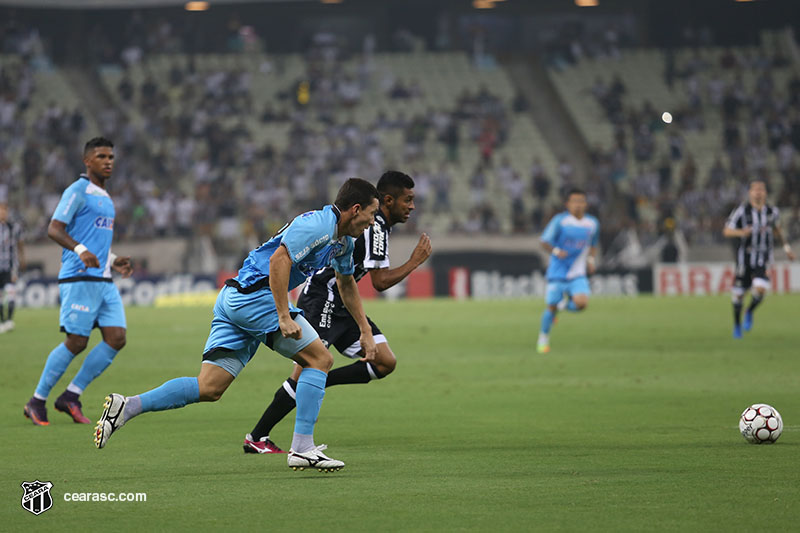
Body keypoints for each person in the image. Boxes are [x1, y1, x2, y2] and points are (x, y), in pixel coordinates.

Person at [94, 178, 380, 473]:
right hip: (255, 297)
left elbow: (346, 283)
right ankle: (303, 448)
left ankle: (128, 406)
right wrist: (283, 315)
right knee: (320, 359)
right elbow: (279, 261)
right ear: (355, 209)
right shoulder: (318, 225)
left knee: (210, 387)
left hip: (234, 297)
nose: (372, 222)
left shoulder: (344, 242)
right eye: (372, 214)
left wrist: (365, 330)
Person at [243, 170, 432, 454]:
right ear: (388, 201)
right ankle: (257, 437)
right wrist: (414, 262)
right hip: (323, 299)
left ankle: (320, 380)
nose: (412, 206)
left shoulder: (378, 225)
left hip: (345, 304)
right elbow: (380, 282)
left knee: (384, 361)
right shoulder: (376, 227)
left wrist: (365, 329)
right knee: (304, 369)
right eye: (408, 200)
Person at [24, 138, 133, 426]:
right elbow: (54, 228)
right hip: (79, 277)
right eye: (101, 156)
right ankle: (36, 401)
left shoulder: (106, 197)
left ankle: (71, 395)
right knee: (77, 341)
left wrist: (112, 259)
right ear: (87, 161)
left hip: (103, 279)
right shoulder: (77, 190)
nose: (108, 161)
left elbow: (95, 239)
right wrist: (81, 250)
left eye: (111, 156)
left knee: (117, 338)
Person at [723, 179, 795, 338]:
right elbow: (727, 231)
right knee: (738, 295)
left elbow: (777, 230)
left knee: (761, 288)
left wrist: (787, 248)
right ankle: (737, 325)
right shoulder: (741, 211)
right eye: (755, 189)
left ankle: (749, 311)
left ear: (765, 193)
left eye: (761, 189)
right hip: (745, 258)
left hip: (764, 257)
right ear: (750, 193)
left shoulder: (772, 212)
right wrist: (741, 232)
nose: (758, 192)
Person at [537, 188, 599, 354]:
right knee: (550, 308)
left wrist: (591, 260)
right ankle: (543, 338)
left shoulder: (592, 223)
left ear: (586, 204)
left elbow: (593, 244)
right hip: (557, 273)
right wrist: (557, 251)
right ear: (567, 204)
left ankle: (561, 305)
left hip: (578, 273)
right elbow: (544, 241)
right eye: (574, 201)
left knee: (581, 304)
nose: (578, 205)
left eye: (581, 201)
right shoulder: (560, 221)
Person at [0, 201, 25, 333]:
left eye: (4, 210)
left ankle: (9, 320)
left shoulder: (14, 227)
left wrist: (22, 259)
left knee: (11, 293)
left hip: (10, 267)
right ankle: (2, 321)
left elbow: (20, 244)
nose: (2, 213)